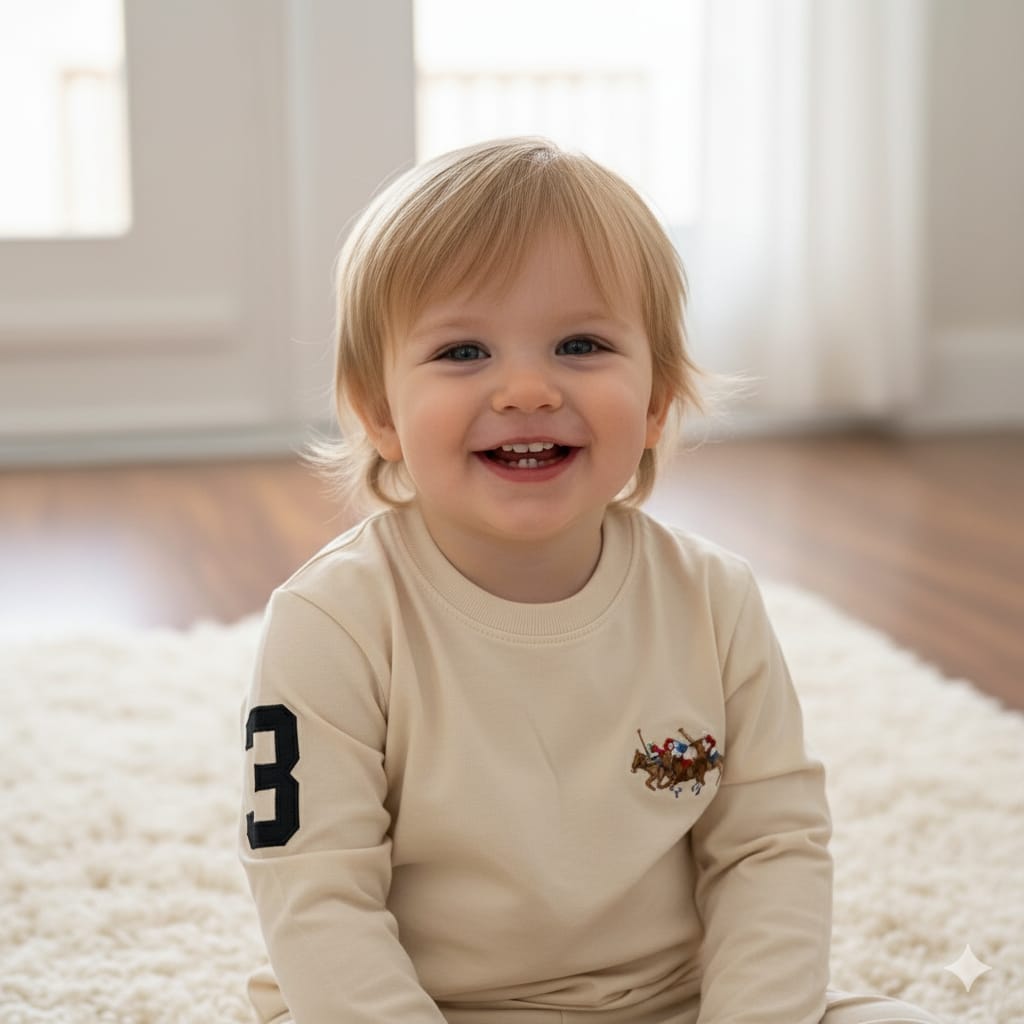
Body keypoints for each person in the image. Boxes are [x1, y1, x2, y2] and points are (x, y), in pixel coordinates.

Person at [238, 137, 942, 1024]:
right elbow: (314, 895)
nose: (527, 390)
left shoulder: (713, 600)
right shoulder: (330, 622)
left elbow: (770, 849)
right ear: (379, 411)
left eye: (581, 344)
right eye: (463, 351)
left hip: (673, 1001)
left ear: (656, 401)